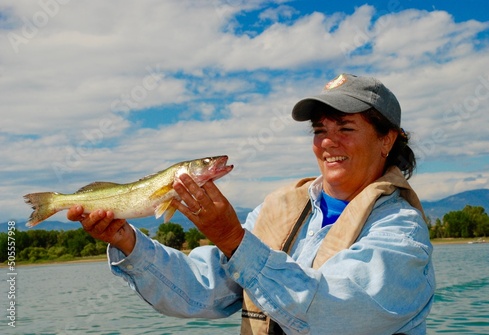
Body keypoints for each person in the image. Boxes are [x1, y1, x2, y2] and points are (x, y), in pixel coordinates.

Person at [68, 73, 435, 335]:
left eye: (346, 129)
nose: (328, 142)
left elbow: (336, 314)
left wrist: (230, 236)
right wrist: (127, 241)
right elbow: (204, 292)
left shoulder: (402, 231)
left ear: (387, 139)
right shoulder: (278, 208)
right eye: (320, 130)